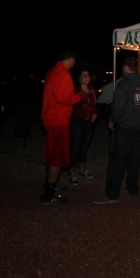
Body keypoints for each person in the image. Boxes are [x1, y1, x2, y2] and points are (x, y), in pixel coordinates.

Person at [94, 57, 140, 204]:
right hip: (137, 128)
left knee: (116, 161)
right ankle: (132, 188)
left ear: (125, 67)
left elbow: (117, 107)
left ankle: (112, 194)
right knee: (133, 160)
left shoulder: (123, 84)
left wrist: (112, 120)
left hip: (124, 128)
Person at [40, 49, 88, 205]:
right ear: (71, 60)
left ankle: (49, 186)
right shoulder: (63, 74)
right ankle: (49, 194)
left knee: (53, 153)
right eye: (74, 61)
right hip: (57, 119)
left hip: (51, 117)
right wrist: (81, 96)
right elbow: (64, 98)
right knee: (57, 157)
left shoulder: (52, 71)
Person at [68, 68, 98, 184]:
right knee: (74, 146)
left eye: (88, 75)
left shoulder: (92, 90)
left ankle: (82, 169)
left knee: (84, 146)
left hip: (88, 122)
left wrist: (95, 113)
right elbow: (70, 105)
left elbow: (94, 106)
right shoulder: (75, 90)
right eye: (84, 75)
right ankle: (72, 171)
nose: (87, 77)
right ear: (79, 78)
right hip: (76, 121)